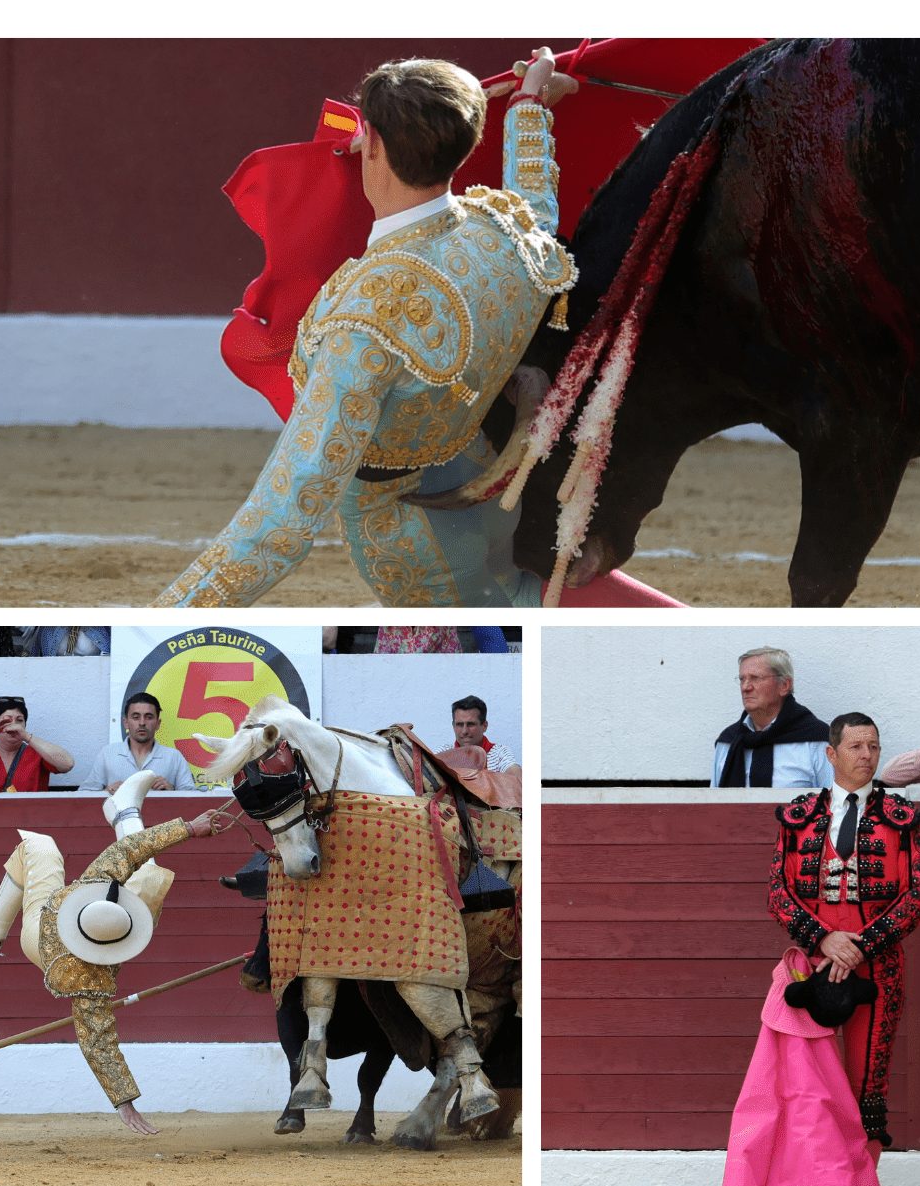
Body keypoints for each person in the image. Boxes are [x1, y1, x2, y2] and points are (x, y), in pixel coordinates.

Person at [158, 50, 596, 607]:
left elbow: (281, 525)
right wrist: (531, 105)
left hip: (411, 544)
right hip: (486, 492)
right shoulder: (505, 233)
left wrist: (162, 620)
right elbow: (536, 204)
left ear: (374, 144)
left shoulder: (363, 327)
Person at [0, 804, 224, 1132]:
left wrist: (190, 828)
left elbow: (129, 849)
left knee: (43, 846)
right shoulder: (92, 957)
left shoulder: (98, 903)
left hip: (54, 920)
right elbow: (97, 1039)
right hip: (38, 936)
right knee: (52, 847)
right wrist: (189, 826)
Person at [768, 713, 920, 1154]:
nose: (867, 755)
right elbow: (778, 894)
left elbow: (918, 898)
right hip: (810, 966)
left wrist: (857, 948)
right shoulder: (798, 817)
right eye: (857, 746)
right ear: (831, 753)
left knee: (868, 1091)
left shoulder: (903, 818)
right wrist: (824, 940)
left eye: (874, 747)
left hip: (876, 968)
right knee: (807, 1086)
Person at [712, 647, 833, 788]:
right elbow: (713, 804)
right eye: (742, 679)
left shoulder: (817, 740)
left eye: (755, 678)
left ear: (784, 685)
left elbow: (833, 802)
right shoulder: (728, 741)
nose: (745, 687)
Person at [0, 697, 75, 794]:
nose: (14, 726)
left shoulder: (38, 753)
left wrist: (27, 737)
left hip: (30, 821)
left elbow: (67, 764)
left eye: (20, 720)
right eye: (7, 720)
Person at [79, 693, 196, 793]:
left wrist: (172, 790)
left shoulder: (173, 756)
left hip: (162, 819)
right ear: (126, 723)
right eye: (136, 717)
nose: (142, 723)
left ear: (158, 723)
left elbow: (193, 798)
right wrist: (107, 791)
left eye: (149, 717)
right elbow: (83, 795)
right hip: (118, 819)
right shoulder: (108, 754)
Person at [447, 694, 518, 775]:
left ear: (484, 726)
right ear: (453, 726)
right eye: (459, 724)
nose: (464, 731)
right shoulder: (445, 751)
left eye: (471, 724)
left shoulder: (500, 753)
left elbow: (518, 778)